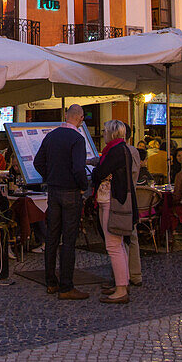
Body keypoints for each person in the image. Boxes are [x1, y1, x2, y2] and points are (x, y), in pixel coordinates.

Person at [32, 104, 89, 300]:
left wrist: (51, 176)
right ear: (80, 118)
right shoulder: (77, 139)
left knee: (52, 237)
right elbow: (79, 168)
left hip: (53, 192)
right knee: (69, 240)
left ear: (66, 116)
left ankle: (50, 282)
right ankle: (66, 285)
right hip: (71, 193)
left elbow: (37, 162)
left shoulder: (51, 136)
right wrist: (83, 186)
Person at [91, 119, 137, 304]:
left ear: (112, 133)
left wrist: (98, 172)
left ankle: (120, 290)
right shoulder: (121, 148)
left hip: (112, 201)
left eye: (105, 131)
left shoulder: (115, 151)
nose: (103, 134)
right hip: (116, 200)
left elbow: (100, 173)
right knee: (118, 245)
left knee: (113, 246)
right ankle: (122, 283)